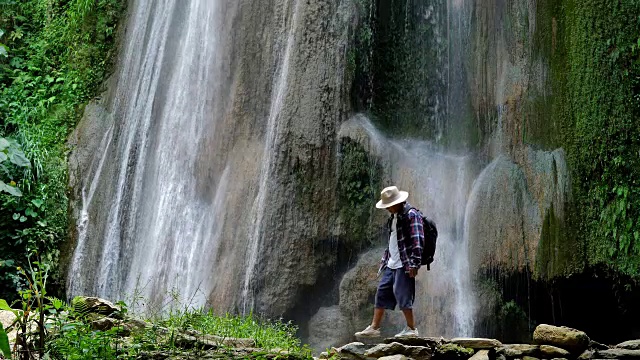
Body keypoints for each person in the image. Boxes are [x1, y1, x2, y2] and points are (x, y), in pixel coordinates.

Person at [355, 185, 424, 338]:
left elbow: (418, 240)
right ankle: (374, 328)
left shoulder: (412, 215)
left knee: (402, 295)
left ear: (398, 202)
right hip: (391, 263)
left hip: (404, 264)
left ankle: (412, 329)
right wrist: (385, 260)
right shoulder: (393, 217)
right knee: (381, 292)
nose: (387, 209)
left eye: (389, 206)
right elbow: (392, 241)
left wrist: (414, 263)